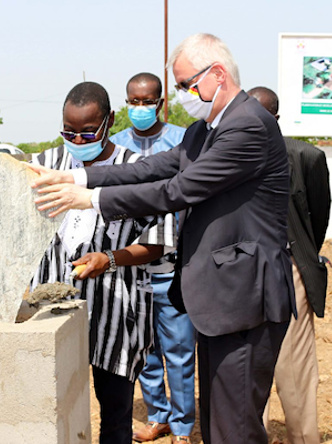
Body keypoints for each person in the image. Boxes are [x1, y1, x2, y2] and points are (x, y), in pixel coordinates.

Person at [30, 33, 294, 444]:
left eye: (187, 85)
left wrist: (91, 199)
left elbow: (176, 190)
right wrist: (76, 175)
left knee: (236, 428)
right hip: (219, 299)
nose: (181, 96)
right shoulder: (205, 130)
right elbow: (151, 168)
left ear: (218, 75)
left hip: (244, 299)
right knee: (220, 423)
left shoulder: (246, 127)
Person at [0, 81, 176, 444]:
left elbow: (159, 240)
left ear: (110, 121)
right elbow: (1, 210)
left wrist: (110, 258)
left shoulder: (135, 169)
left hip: (116, 315)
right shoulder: (44, 166)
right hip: (52, 312)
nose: (78, 142)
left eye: (87, 133)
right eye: (69, 132)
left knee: (115, 414)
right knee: (51, 405)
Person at [111, 73, 195, 443]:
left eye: (147, 102)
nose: (140, 109)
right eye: (134, 102)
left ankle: (182, 425)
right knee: (142, 351)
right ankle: (157, 415)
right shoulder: (114, 145)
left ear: (160, 103)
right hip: (129, 267)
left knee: (178, 350)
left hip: (173, 264)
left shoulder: (182, 140)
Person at [248, 86, 331, 444]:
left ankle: (303, 437)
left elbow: (317, 216)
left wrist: (301, 255)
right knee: (247, 364)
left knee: (292, 366)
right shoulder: (227, 154)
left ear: (275, 119)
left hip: (289, 268)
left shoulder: (305, 156)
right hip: (241, 272)